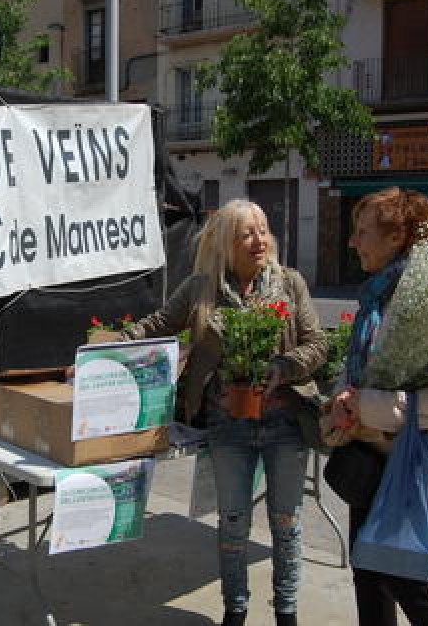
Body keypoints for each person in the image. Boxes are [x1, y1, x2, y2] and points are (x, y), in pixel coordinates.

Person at [123, 199, 327, 626]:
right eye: (247, 233)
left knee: (286, 523)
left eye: (263, 229)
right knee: (233, 523)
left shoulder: (290, 285)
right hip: (226, 426)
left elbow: (318, 343)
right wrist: (104, 344)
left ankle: (286, 613)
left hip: (285, 423)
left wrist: (284, 367)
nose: (260, 240)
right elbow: (157, 324)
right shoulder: (201, 289)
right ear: (225, 243)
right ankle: (235, 610)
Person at [329, 187, 428, 626]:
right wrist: (340, 399)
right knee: (368, 572)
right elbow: (359, 369)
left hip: (414, 459)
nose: (352, 241)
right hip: (369, 454)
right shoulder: (376, 294)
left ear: (396, 239)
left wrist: (366, 406)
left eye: (362, 232)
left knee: (406, 577)